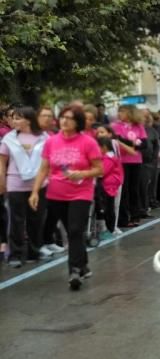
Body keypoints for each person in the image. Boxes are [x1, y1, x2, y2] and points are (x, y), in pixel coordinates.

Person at [29, 106, 103, 290]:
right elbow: (44, 168)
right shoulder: (51, 142)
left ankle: (74, 270)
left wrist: (82, 173)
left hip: (81, 193)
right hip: (56, 193)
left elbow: (99, 169)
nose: (64, 121)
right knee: (72, 232)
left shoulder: (88, 142)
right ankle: (83, 264)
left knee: (76, 229)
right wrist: (35, 191)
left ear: (77, 122)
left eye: (69, 118)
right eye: (62, 117)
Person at [0, 106, 49, 267]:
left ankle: (34, 252)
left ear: (28, 119)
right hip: (15, 183)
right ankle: (15, 254)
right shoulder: (9, 138)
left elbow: (49, 161)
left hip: (39, 184)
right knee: (16, 220)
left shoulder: (43, 137)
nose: (14, 121)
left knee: (36, 219)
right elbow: (2, 161)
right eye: (13, 118)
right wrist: (2, 181)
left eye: (18, 118)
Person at [95, 136, 124, 242]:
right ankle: (109, 228)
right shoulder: (109, 157)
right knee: (109, 208)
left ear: (104, 147)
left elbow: (102, 172)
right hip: (109, 186)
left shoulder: (109, 158)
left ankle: (109, 229)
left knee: (108, 208)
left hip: (108, 186)